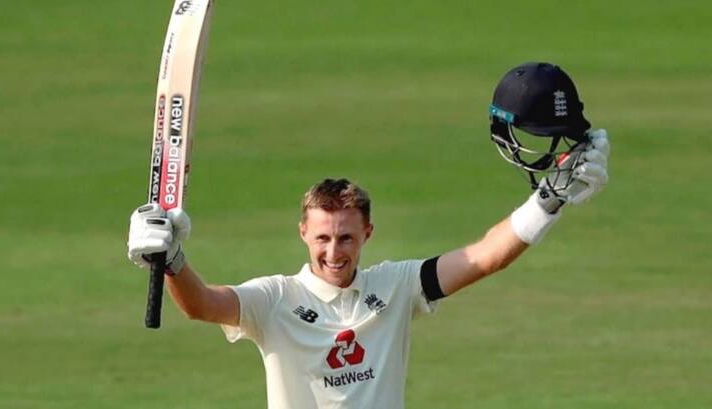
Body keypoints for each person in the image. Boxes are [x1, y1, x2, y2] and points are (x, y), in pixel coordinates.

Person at [126, 62, 609, 409]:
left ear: (367, 234)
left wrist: (549, 200)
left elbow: (485, 257)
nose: (333, 251)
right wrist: (172, 261)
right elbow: (202, 305)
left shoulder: (396, 288)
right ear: (303, 233)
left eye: (345, 238)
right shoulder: (274, 299)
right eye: (322, 239)